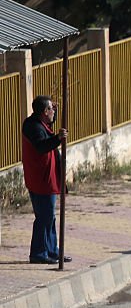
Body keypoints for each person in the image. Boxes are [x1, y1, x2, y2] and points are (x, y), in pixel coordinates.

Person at [22, 96, 69, 264]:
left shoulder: (38, 122)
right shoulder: (33, 127)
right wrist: (57, 138)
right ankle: (39, 253)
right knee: (44, 216)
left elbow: (49, 125)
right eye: (51, 109)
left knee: (50, 216)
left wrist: (54, 111)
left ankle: (52, 250)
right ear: (44, 112)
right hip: (41, 179)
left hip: (45, 178)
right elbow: (42, 146)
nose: (53, 111)